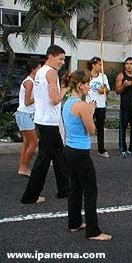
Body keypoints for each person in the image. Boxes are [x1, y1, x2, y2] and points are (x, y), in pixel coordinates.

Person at [62, 70, 111, 241]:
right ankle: (93, 231)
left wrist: (88, 109)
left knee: (75, 187)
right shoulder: (82, 105)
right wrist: (90, 110)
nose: (90, 86)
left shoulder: (67, 102)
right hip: (80, 152)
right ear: (80, 85)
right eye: (88, 83)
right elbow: (91, 130)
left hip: (69, 149)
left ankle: (74, 223)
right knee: (90, 190)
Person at [21, 45, 69, 204]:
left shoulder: (40, 72)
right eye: (60, 58)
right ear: (51, 56)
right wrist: (65, 89)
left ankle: (64, 189)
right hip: (49, 122)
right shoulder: (51, 72)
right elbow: (55, 99)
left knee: (59, 156)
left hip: (42, 120)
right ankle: (30, 196)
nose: (62, 62)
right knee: (43, 160)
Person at [15, 60, 41, 177]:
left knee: (27, 142)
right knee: (33, 142)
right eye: (39, 68)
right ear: (33, 69)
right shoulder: (29, 82)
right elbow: (27, 101)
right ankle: (24, 167)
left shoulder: (31, 81)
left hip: (25, 114)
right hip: (26, 114)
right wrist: (38, 97)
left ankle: (22, 166)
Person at [86, 57, 110, 158]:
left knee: (100, 128)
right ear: (93, 65)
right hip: (89, 104)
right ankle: (85, 148)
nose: (101, 67)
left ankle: (101, 149)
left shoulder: (103, 76)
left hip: (101, 105)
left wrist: (104, 89)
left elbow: (107, 90)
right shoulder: (87, 76)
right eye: (99, 64)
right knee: (87, 126)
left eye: (101, 65)